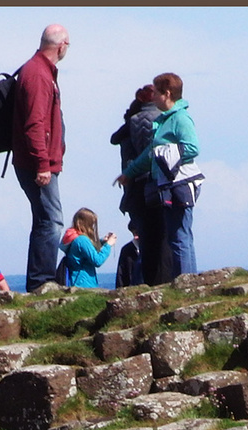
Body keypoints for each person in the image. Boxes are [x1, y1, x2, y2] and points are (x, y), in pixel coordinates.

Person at [117, 72, 202, 278]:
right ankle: (185, 279)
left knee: (180, 234)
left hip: (179, 182)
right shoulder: (164, 121)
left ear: (167, 93)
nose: (153, 97)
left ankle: (186, 282)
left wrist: (167, 154)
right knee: (175, 234)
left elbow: (192, 147)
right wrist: (129, 172)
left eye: (156, 93)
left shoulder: (180, 118)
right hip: (167, 183)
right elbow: (150, 153)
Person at [12, 24, 70, 291]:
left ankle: (39, 278)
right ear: (61, 46)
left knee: (44, 219)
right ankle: (42, 280)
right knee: (51, 219)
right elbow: (35, 124)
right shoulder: (38, 74)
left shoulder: (40, 72)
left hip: (37, 161)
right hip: (37, 163)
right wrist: (42, 164)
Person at [111, 84, 170, 284]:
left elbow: (114, 139)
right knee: (163, 238)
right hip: (155, 184)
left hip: (134, 189)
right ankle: (164, 281)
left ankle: (148, 282)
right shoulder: (163, 121)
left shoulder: (131, 123)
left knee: (146, 240)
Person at [62, 208, 116, 288]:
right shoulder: (82, 240)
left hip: (75, 281)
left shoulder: (73, 237)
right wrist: (108, 245)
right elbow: (97, 261)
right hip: (84, 283)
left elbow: (86, 250)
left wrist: (101, 242)